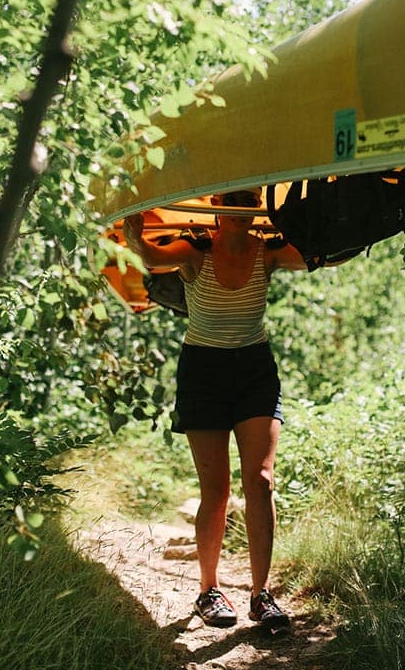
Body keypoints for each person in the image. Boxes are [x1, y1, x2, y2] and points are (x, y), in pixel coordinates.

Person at [123, 187, 307, 630]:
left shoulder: (269, 252)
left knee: (260, 482)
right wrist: (132, 221)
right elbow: (148, 256)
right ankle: (209, 591)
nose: (241, 210)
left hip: (254, 371)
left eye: (249, 202)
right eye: (233, 202)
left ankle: (262, 596)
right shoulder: (195, 251)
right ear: (217, 208)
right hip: (203, 372)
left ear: (256, 207)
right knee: (217, 490)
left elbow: (320, 255)